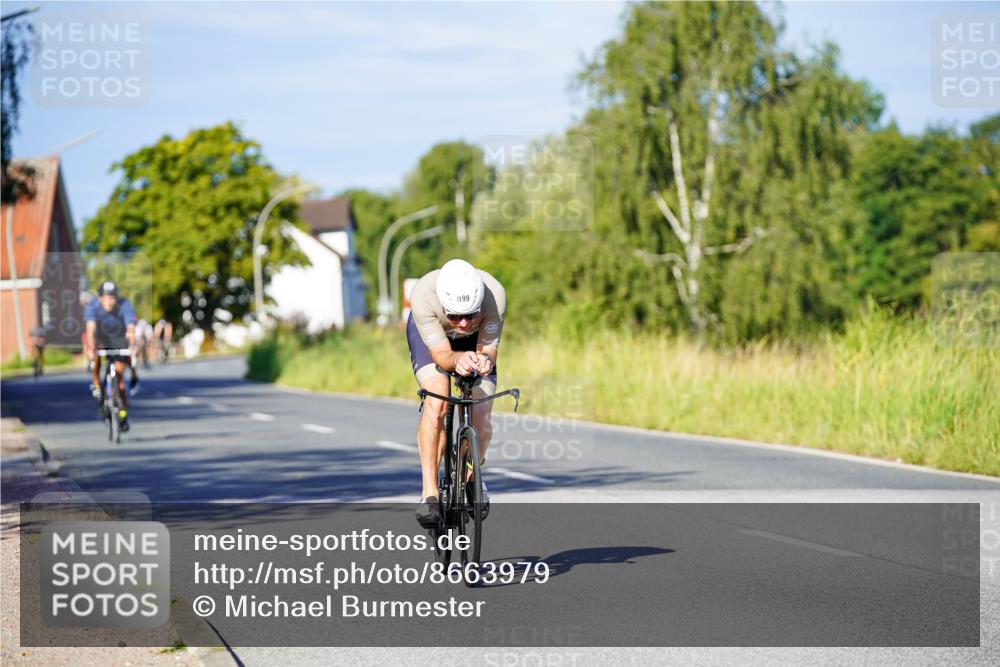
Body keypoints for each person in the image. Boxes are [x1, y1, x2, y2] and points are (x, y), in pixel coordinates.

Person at [406, 259, 506, 528]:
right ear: (443, 303)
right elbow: (441, 355)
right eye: (455, 315)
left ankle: (471, 479)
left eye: (470, 315)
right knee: (437, 402)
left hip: (475, 343)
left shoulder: (494, 295)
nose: (463, 323)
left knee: (482, 413)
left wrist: (485, 360)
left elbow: (489, 349)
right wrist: (458, 359)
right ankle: (429, 492)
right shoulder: (424, 295)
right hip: (434, 342)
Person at [85, 281, 137, 431]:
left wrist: (132, 343)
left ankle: (122, 411)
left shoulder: (125, 305)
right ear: (100, 298)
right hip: (101, 336)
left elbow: (131, 327)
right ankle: (96, 383)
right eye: (107, 298)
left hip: (118, 337)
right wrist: (91, 349)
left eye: (113, 298)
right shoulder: (92, 307)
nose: (110, 301)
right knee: (95, 356)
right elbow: (90, 330)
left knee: (119, 376)